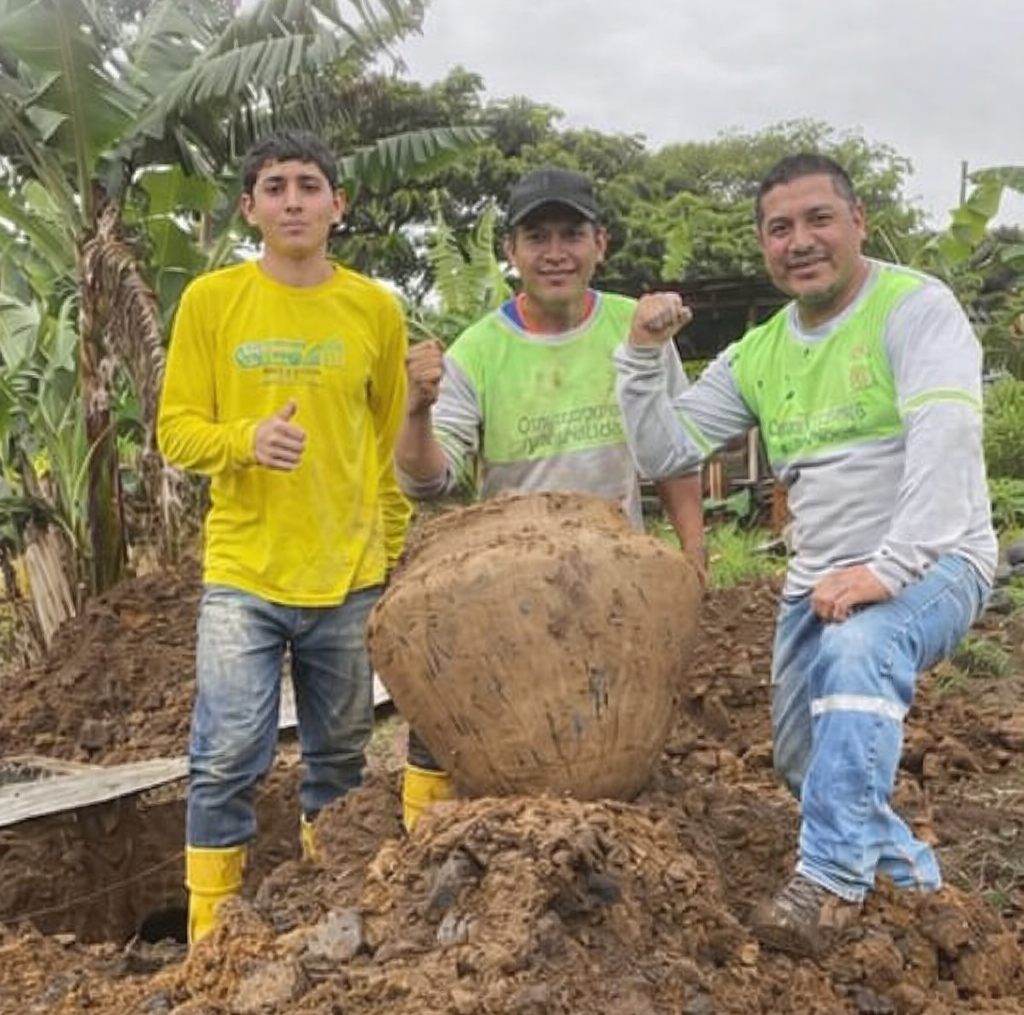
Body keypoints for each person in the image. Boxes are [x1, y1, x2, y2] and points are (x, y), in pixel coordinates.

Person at [613, 152, 997, 957]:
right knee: (802, 757)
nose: (801, 241)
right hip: (820, 575)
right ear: (764, 244)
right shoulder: (759, 352)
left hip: (934, 559)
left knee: (859, 650)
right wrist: (643, 358)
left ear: (857, 222)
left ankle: (828, 882)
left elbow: (947, 435)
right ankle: (918, 888)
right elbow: (665, 449)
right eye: (780, 228)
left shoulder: (915, 309)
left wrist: (888, 569)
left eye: (819, 218)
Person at [394, 166, 706, 832]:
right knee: (474, 740)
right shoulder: (479, 350)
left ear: (601, 244)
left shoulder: (635, 329)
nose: (555, 252)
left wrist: (694, 554)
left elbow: (673, 455)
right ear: (512, 250)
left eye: (572, 234)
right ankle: (419, 851)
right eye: (537, 237)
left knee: (609, 745)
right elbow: (430, 481)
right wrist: (416, 411)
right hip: (508, 589)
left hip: (614, 579)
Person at [157, 129, 410, 944]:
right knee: (228, 752)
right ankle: (211, 935)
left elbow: (385, 446)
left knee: (340, 756)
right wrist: (246, 439)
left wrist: (392, 551)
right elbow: (174, 430)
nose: (293, 200)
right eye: (275, 187)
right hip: (245, 572)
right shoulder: (212, 302)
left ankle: (328, 914)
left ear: (339, 204)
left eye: (308, 185)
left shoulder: (375, 308)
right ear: (249, 208)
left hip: (348, 573)